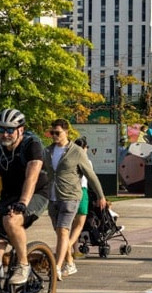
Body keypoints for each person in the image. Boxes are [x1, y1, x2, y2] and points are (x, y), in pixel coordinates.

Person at [0, 108, 50, 285]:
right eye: (1, 130)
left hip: (36, 193)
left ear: (21, 130)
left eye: (10, 130)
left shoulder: (32, 145)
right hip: (9, 194)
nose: (5, 134)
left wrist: (23, 203)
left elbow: (31, 177)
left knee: (11, 220)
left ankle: (23, 264)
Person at [45, 119, 107, 280]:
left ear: (66, 132)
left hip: (71, 196)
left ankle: (57, 267)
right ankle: (70, 263)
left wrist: (100, 195)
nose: (54, 136)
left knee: (63, 231)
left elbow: (90, 175)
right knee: (60, 234)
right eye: (52, 133)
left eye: (57, 133)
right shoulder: (48, 151)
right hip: (52, 198)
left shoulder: (76, 151)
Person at [64, 136, 92, 269]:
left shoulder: (68, 159)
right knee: (79, 224)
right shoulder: (86, 161)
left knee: (69, 224)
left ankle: (73, 250)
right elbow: (91, 178)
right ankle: (68, 246)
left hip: (68, 193)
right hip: (81, 192)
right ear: (85, 148)